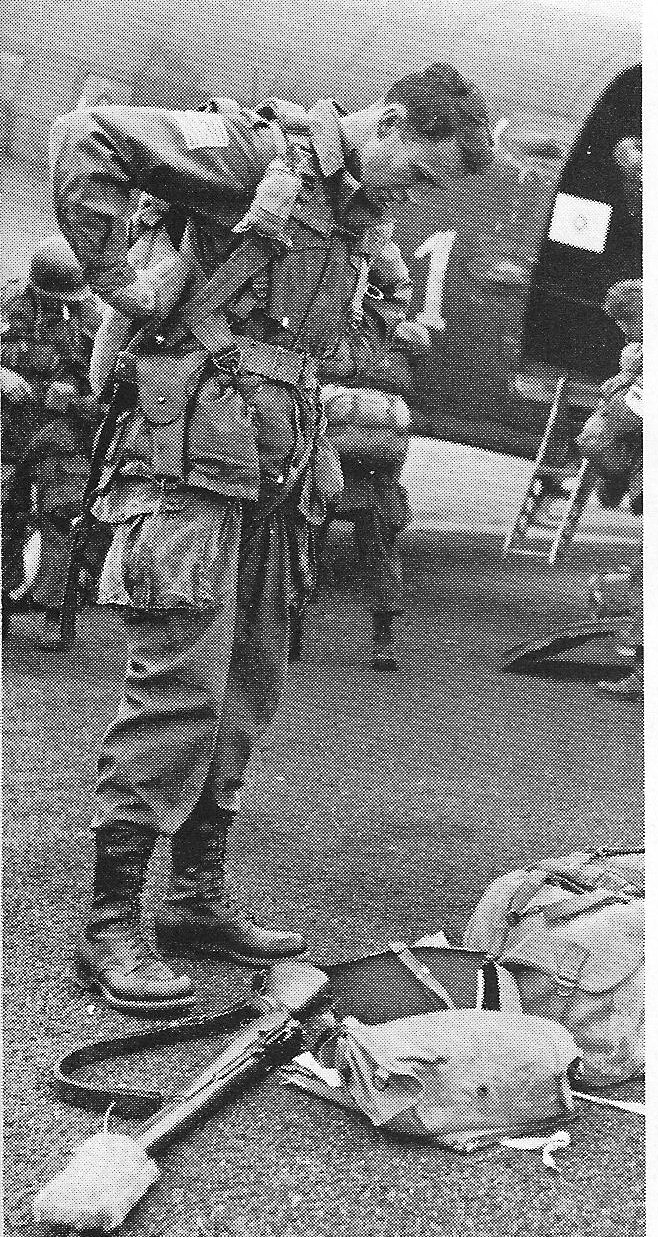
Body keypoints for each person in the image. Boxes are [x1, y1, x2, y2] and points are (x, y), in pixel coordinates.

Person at [51, 65, 493, 1015]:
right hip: (187, 462)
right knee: (178, 689)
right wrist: (119, 278)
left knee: (247, 686)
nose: (418, 193)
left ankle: (195, 899)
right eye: (421, 168)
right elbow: (84, 138)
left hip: (273, 467)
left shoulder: (349, 209)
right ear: (386, 121)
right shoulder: (257, 152)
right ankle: (109, 927)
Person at [315, 221, 428, 671]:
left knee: (366, 516)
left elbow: (409, 339)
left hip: (350, 417)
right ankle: (381, 622)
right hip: (352, 416)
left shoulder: (358, 257)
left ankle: (378, 620)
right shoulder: (338, 267)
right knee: (374, 524)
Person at [1, 235, 105, 648]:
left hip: (64, 436)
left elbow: (104, 386)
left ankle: (52, 612)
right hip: (9, 430)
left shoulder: (93, 317)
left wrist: (71, 397)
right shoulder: (9, 306)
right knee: (4, 513)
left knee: (60, 522)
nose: (59, 306)